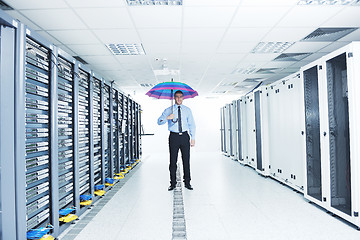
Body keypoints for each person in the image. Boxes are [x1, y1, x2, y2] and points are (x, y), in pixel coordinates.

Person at [157, 90, 196, 191]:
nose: (179, 98)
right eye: (177, 97)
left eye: (181, 97)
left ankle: (187, 182)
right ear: (174, 98)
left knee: (186, 160)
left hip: (184, 136)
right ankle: (173, 183)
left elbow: (192, 124)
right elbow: (159, 121)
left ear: (183, 98)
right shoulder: (168, 110)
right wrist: (167, 118)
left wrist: (193, 138)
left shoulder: (187, 110)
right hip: (173, 137)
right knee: (172, 161)